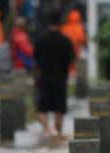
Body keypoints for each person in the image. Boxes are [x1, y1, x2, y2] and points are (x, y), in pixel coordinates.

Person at [33, 10, 75, 140]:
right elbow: (71, 59)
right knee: (59, 108)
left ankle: (47, 130)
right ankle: (58, 134)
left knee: (42, 108)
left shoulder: (40, 40)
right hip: (61, 79)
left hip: (44, 78)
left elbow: (35, 58)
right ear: (60, 24)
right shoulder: (66, 41)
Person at [60, 9, 86, 74]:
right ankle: (72, 74)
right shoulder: (79, 28)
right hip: (75, 48)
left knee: (66, 63)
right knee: (74, 63)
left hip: (65, 49)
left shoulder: (64, 27)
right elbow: (82, 39)